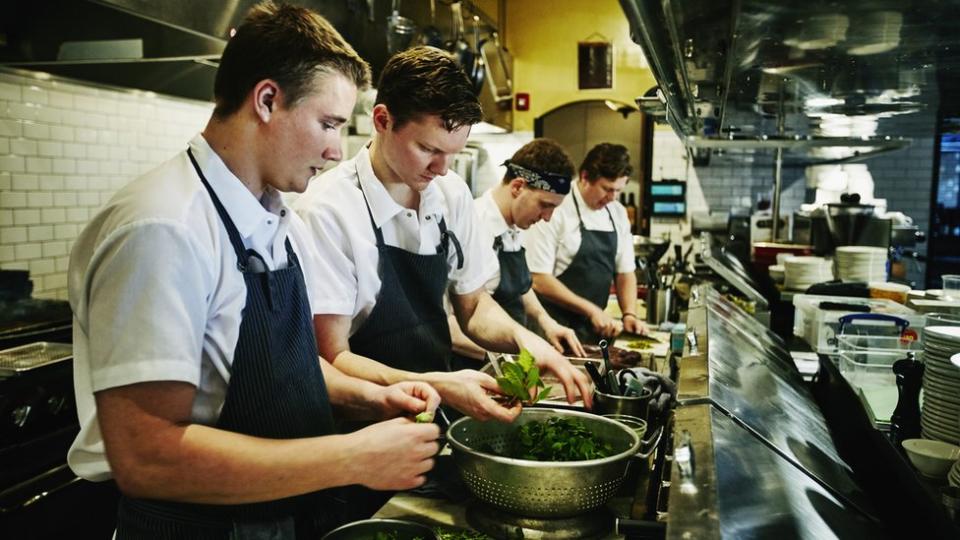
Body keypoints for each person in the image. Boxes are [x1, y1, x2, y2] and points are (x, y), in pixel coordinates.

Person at [66, 3, 441, 538]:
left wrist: (373, 397)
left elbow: (284, 370)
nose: (337, 151)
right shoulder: (163, 227)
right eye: (329, 124)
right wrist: (352, 457)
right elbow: (147, 455)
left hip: (275, 516)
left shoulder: (269, 212)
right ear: (267, 100)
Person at [294, 46, 592, 428]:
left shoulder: (451, 193)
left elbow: (473, 306)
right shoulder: (328, 211)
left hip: (436, 410)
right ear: (383, 121)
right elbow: (333, 357)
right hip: (364, 425)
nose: (441, 168)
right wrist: (436, 385)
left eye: (453, 153)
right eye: (428, 149)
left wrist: (525, 341)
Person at [448, 139, 587, 368]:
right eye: (545, 205)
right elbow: (450, 324)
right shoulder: (473, 227)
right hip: (473, 367)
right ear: (518, 187)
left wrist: (546, 322)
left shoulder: (514, 225)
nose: (547, 217)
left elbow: (521, 287)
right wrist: (517, 353)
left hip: (510, 359)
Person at [526, 143, 646, 342]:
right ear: (584, 177)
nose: (612, 198)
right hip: (551, 326)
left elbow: (625, 271)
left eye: (618, 191)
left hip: (594, 328)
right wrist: (591, 309)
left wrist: (629, 314)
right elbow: (538, 278)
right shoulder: (556, 206)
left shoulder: (617, 212)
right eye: (607, 189)